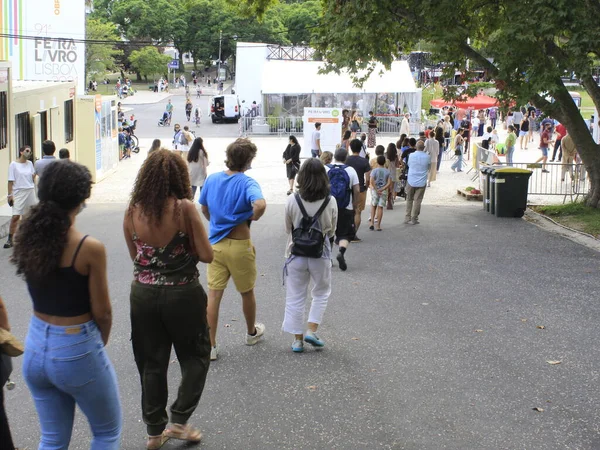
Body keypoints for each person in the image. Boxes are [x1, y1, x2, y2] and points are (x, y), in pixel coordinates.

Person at [11, 161, 122, 449]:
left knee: (52, 439)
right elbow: (103, 313)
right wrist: (96, 344)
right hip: (75, 346)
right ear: (81, 199)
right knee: (106, 433)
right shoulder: (88, 248)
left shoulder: (25, 234)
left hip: (35, 346)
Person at [123, 150, 213, 448]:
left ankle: (153, 433)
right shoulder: (183, 208)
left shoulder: (132, 210)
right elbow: (207, 254)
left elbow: (137, 257)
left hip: (143, 295)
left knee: (151, 362)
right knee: (196, 356)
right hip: (182, 294)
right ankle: (178, 420)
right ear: (179, 177)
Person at [199, 139, 267, 361]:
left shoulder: (213, 179)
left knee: (214, 295)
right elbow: (260, 205)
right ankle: (250, 333)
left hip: (215, 245)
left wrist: (217, 221)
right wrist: (248, 217)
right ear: (248, 160)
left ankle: (211, 346)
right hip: (239, 245)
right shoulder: (248, 183)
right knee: (246, 292)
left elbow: (204, 208)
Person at [283, 159, 337, 353]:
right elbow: (331, 230)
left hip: (295, 253)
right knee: (321, 292)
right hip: (320, 254)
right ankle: (311, 331)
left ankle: (297, 340)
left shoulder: (292, 200)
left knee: (295, 295)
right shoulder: (330, 200)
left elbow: (288, 228)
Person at [325, 148, 360, 272]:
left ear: (334, 156)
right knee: (345, 234)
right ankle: (341, 251)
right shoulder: (351, 171)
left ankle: (328, 258)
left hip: (328, 206)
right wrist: (355, 206)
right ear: (346, 158)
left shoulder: (326, 169)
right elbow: (356, 190)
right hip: (346, 206)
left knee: (327, 232)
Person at [4, 146, 36, 249]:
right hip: (19, 192)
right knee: (16, 216)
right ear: (21, 152)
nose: (29, 153)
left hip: (30, 190)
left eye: (30, 151)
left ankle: (27, 238)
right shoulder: (13, 165)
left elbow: (32, 177)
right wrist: (10, 195)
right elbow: (10, 181)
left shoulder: (30, 164)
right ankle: (10, 239)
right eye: (27, 151)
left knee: (29, 216)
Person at [346, 139, 371, 242]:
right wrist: (366, 186)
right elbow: (368, 177)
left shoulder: (346, 160)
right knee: (357, 212)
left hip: (347, 189)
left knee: (347, 212)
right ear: (361, 148)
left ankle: (345, 233)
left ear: (350, 148)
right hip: (360, 189)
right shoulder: (364, 161)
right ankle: (353, 234)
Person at [404, 141, 431, 225]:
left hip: (411, 180)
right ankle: (414, 218)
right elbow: (429, 167)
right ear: (424, 147)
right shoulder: (427, 157)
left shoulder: (411, 155)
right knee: (417, 200)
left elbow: (408, 165)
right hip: (421, 181)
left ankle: (407, 217)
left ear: (416, 146)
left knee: (409, 199)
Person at [369, 155, 392, 231]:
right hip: (383, 191)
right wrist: (383, 188)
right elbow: (389, 183)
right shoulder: (387, 171)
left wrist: (376, 189)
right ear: (384, 162)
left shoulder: (374, 171)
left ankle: (372, 223)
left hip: (375, 190)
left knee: (373, 205)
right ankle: (378, 225)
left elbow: (371, 181)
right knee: (380, 207)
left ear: (377, 162)